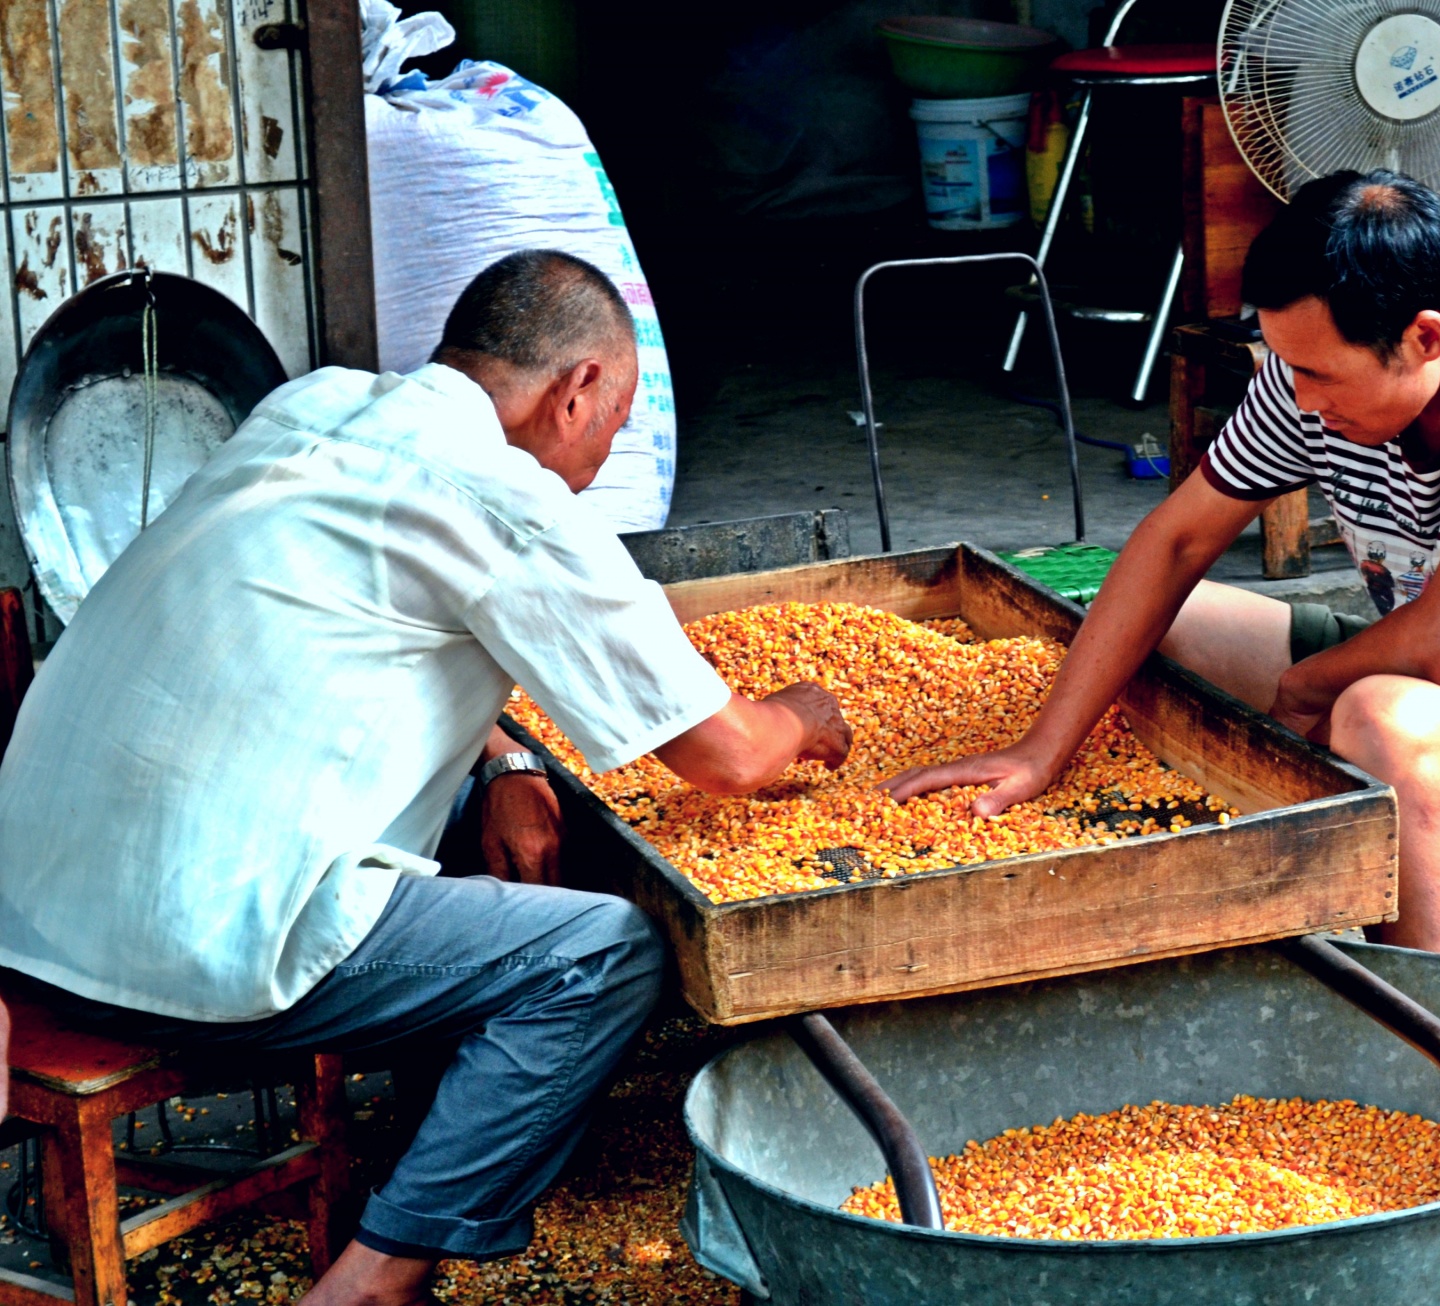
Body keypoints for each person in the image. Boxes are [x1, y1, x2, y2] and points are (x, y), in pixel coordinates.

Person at [0, 251, 849, 1306]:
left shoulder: (313, 407)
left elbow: (354, 630)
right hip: (192, 946)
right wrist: (804, 715)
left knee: (475, 811)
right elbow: (727, 754)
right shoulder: (506, 502)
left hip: (30, 906)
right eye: (615, 423)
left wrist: (509, 755)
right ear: (574, 388)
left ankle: (417, 1140)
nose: (601, 458)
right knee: (600, 957)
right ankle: (375, 1278)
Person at [885, 171, 1440, 958]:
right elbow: (1174, 542)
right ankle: (1212, 916)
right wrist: (1043, 751)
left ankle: (1432, 1071)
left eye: (1315, 373)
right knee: (1168, 621)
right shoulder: (1320, 362)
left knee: (1378, 717)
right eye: (1284, 364)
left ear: (1426, 337)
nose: (1297, 398)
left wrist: (1309, 687)